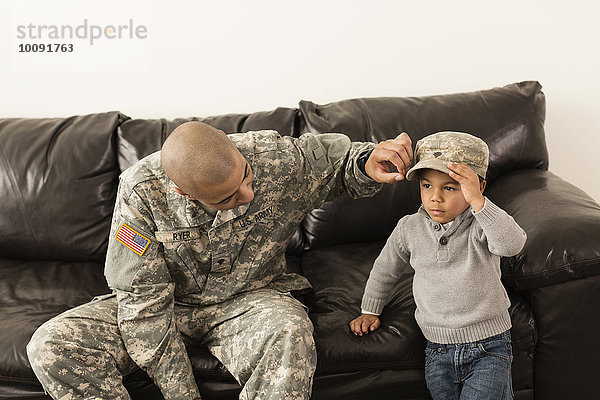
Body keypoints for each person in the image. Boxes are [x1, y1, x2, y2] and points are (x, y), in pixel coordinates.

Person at [27, 121, 413, 400]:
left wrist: (369, 160)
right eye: (226, 198)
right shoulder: (141, 191)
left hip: (249, 299)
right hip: (166, 304)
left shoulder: (273, 156)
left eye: (245, 178)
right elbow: (142, 300)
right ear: (183, 192)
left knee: (289, 331)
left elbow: (341, 163)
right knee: (51, 345)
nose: (245, 194)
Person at [349, 131, 527, 400]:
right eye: (427, 185)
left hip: (489, 346)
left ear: (478, 187)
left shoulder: (482, 223)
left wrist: (479, 204)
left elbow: (512, 245)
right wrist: (370, 310)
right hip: (438, 349)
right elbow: (385, 269)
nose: (435, 197)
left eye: (450, 187)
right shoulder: (409, 228)